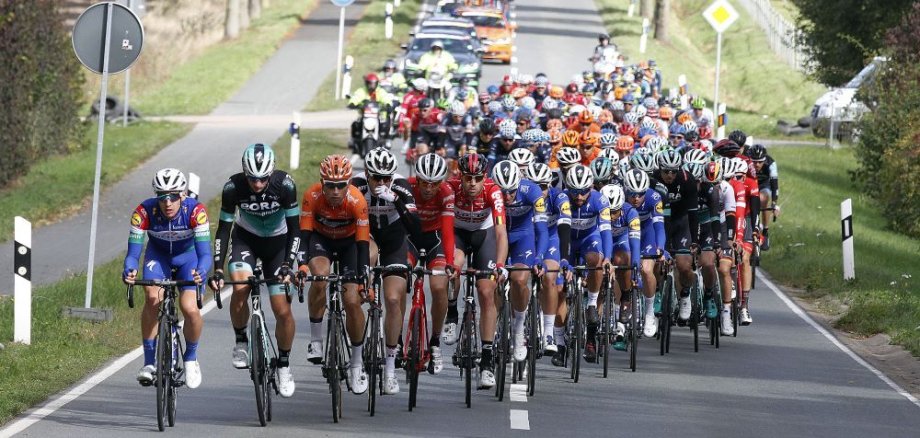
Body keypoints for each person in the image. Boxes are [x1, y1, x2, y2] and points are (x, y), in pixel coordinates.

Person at [208, 144, 299, 397]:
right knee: (240, 286)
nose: (257, 184)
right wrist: (217, 268)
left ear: (270, 174)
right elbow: (224, 230)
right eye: (252, 179)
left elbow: (295, 229)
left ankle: (283, 364)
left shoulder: (285, 185)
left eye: (262, 179)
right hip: (246, 239)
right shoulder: (232, 188)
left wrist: (287, 264)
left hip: (279, 244)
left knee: (282, 309)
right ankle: (241, 341)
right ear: (244, 174)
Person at [124, 168, 211, 390]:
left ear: (183, 195)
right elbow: (133, 254)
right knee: (153, 298)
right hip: (159, 257)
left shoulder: (196, 211)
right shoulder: (143, 211)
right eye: (162, 197)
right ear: (157, 197)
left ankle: (191, 357)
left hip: (188, 260)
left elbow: (205, 255)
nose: (168, 203)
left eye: (173, 196)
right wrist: (130, 269)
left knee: (189, 308)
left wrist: (201, 271)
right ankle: (148, 363)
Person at [299, 155, 372, 395]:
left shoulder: (357, 200)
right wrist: (302, 266)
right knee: (319, 276)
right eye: (330, 184)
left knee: (351, 301)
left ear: (349, 183)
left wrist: (363, 280)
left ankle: (356, 363)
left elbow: (362, 246)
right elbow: (305, 237)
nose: (335, 190)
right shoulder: (312, 196)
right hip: (322, 241)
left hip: (350, 243)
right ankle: (317, 341)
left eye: (341, 185)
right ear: (322, 182)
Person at [351, 149, 421, 394]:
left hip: (394, 240)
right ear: (367, 174)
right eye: (376, 178)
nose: (381, 183)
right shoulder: (356, 185)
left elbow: (415, 227)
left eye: (386, 178)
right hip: (366, 236)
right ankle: (366, 290)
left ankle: (390, 368)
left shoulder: (400, 186)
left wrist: (396, 200)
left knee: (393, 299)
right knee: (367, 258)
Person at [444, 153, 508, 389]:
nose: (472, 183)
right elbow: (445, 227)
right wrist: (450, 260)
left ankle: (488, 360)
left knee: (486, 290)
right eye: (467, 178)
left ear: (485, 177)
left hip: (484, 235)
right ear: (460, 176)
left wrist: (500, 264)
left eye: (477, 178)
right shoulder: (449, 188)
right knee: (453, 266)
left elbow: (501, 233)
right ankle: (452, 312)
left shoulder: (493, 191)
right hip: (458, 235)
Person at [492, 160, 549, 363]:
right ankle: (499, 320)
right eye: (502, 192)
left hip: (523, 237)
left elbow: (542, 230)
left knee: (519, 279)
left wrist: (539, 258)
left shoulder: (532, 191)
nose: (507, 197)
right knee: (491, 282)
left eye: (511, 192)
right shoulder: (489, 190)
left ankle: (518, 329)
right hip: (497, 236)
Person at [556, 164, 613, 364]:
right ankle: (559, 343)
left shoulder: (600, 199)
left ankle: (591, 303)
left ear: (591, 188)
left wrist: (607, 256)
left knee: (595, 260)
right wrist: (563, 259)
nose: (579, 197)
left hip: (590, 238)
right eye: (574, 192)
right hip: (568, 240)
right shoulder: (563, 198)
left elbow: (606, 230)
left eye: (583, 192)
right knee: (559, 291)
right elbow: (562, 229)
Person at [408, 153, 456, 375]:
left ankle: (435, 341)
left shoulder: (446, 193)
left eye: (434, 183)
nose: (428, 188)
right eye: (424, 182)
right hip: (410, 240)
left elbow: (447, 230)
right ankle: (398, 342)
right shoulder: (407, 187)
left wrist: (451, 262)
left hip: (435, 239)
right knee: (395, 285)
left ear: (441, 182)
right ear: (416, 179)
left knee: (438, 287)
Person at [525, 162, 572, 354]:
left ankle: (548, 333)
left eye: (543, 187)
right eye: (535, 186)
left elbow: (564, 229)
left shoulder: (560, 198)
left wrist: (564, 259)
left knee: (551, 279)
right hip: (527, 238)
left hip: (551, 238)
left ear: (550, 186)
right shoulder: (521, 196)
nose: (539, 191)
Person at [623, 169, 666, 338]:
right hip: (626, 233)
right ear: (626, 189)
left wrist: (660, 248)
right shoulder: (619, 197)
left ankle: (649, 312)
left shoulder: (654, 197)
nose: (636, 198)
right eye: (632, 194)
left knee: (647, 269)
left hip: (647, 233)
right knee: (623, 268)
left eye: (640, 194)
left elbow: (659, 226)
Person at [747, 144, 778, 251]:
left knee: (762, 199)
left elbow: (774, 185)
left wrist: (774, 203)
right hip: (750, 183)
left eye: (760, 161)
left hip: (764, 185)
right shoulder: (745, 162)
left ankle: (765, 231)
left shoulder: (771, 163)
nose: (757, 164)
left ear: (765, 160)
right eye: (754, 162)